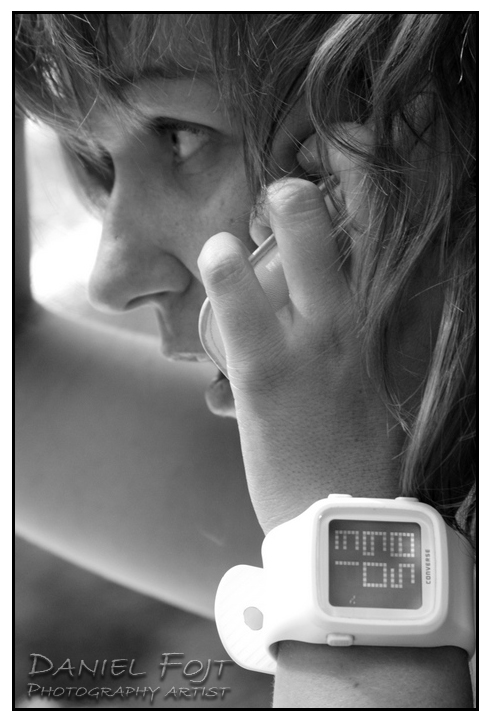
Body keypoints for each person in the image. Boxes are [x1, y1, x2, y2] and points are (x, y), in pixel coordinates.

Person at [15, 13, 476, 708]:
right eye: (103, 167)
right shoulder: (341, 467)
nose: (111, 278)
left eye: (178, 134)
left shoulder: (333, 477)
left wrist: (336, 512)